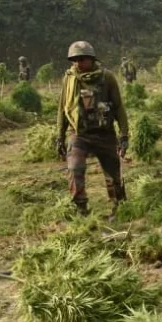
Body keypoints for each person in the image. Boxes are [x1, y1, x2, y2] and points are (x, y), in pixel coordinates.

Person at [54, 41, 129, 218]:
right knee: (74, 169)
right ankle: (81, 210)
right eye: (74, 60)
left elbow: (119, 107)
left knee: (113, 175)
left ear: (91, 59)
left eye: (82, 59)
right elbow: (62, 108)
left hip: (104, 133)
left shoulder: (106, 77)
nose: (78, 63)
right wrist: (59, 136)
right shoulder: (70, 79)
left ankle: (119, 208)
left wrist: (124, 135)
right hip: (79, 134)